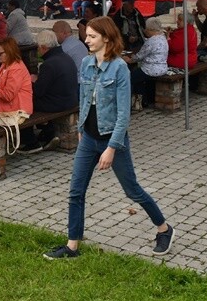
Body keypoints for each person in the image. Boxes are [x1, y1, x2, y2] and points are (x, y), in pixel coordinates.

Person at [44, 16, 175, 260]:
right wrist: (81, 128)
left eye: (92, 36)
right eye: (86, 35)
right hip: (88, 138)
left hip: (113, 139)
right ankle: (72, 246)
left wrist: (112, 148)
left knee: (132, 190)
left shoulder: (119, 68)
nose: (86, 40)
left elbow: (124, 114)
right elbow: (84, 98)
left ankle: (164, 229)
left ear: (106, 37)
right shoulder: (86, 62)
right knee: (76, 192)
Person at [22, 29, 78, 153]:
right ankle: (48, 132)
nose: (37, 50)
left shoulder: (49, 64)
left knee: (23, 104)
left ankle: (30, 141)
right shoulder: (65, 57)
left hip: (58, 103)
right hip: (70, 99)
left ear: (44, 47)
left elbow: (38, 91)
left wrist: (33, 81)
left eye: (38, 47)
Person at [124, 17, 168, 109]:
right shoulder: (163, 37)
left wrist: (129, 59)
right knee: (139, 77)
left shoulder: (151, 41)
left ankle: (131, 103)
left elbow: (140, 56)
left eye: (146, 29)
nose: (145, 30)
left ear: (151, 29)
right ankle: (144, 101)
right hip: (162, 68)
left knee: (130, 77)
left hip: (151, 69)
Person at [0, 36, 33, 117]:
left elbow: (8, 95)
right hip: (8, 107)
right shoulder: (5, 64)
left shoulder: (17, 69)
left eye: (0, 53)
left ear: (9, 52)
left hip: (17, 110)